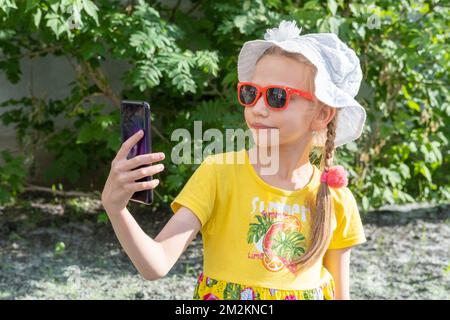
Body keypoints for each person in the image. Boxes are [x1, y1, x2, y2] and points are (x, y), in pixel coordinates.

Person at [101, 20, 367, 300]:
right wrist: (116, 208)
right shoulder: (219, 174)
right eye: (251, 93)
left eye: (277, 96)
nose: (258, 109)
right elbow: (156, 264)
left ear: (322, 114)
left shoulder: (334, 198)